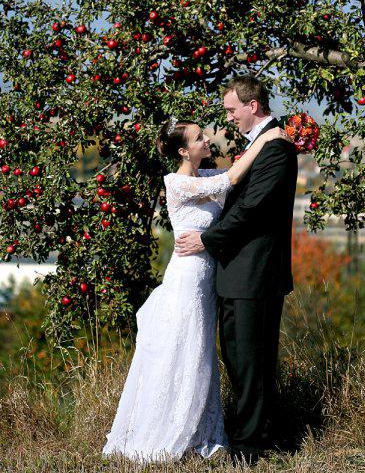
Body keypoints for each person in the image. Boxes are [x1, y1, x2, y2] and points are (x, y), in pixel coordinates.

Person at [102, 109, 291, 464]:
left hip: (208, 280)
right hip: (187, 279)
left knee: (201, 354)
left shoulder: (206, 174)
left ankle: (197, 428)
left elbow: (238, 177)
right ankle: (167, 431)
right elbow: (232, 178)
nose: (207, 140)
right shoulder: (177, 182)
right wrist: (267, 137)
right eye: (199, 138)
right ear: (183, 152)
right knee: (182, 350)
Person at [175, 75, 298, 466]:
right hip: (240, 272)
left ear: (252, 106)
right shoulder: (263, 144)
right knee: (242, 356)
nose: (229, 118)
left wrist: (207, 240)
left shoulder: (276, 149)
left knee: (249, 359)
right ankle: (260, 433)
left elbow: (252, 209)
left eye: (232, 110)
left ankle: (250, 445)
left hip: (254, 272)